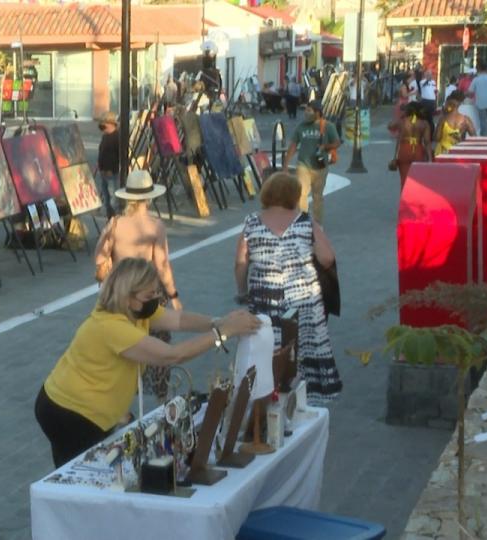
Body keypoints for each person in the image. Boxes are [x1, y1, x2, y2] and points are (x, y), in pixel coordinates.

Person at [35, 257, 262, 467]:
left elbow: (178, 320)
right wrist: (224, 332)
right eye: (149, 296)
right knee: (81, 475)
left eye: (156, 293)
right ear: (128, 297)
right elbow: (173, 355)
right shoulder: (110, 326)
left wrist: (218, 321)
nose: (155, 300)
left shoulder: (136, 312)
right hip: (69, 412)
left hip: (87, 410)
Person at [234, 172, 341, 403]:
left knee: (266, 350)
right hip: (303, 300)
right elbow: (328, 258)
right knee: (300, 349)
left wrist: (242, 292)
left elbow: (240, 263)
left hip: (264, 299)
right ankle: (302, 401)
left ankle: (265, 396)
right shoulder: (305, 222)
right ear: (294, 195)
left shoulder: (252, 222)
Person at [95, 170, 182, 310]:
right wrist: (174, 295)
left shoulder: (115, 223)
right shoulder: (155, 226)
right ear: (149, 198)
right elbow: (162, 266)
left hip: (120, 291)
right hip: (145, 292)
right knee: (151, 330)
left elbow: (99, 259)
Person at [282, 100, 340, 225]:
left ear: (317, 113)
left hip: (320, 167)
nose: (306, 113)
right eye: (306, 110)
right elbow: (293, 146)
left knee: (317, 197)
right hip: (303, 165)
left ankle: (318, 224)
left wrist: (325, 146)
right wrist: (285, 164)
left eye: (309, 110)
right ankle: (303, 222)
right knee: (301, 194)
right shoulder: (301, 127)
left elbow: (337, 142)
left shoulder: (328, 126)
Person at [390, 102, 431, 186]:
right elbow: (427, 142)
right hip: (418, 150)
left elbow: (390, 126)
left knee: (404, 180)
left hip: (404, 150)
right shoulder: (424, 123)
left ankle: (405, 197)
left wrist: (401, 116)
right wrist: (430, 159)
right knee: (418, 180)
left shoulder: (403, 121)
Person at [434, 91, 477, 157]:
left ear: (449, 106)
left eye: (446, 104)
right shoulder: (466, 120)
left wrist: (442, 116)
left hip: (443, 153)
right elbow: (474, 138)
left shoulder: (443, 119)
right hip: (459, 152)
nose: (444, 106)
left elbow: (437, 138)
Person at [96, 111, 120, 217]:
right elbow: (102, 151)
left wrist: (112, 169)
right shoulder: (105, 136)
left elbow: (118, 155)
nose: (102, 128)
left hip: (111, 172)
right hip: (103, 171)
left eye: (104, 125)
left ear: (110, 124)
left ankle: (115, 217)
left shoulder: (116, 137)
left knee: (113, 198)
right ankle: (109, 216)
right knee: (106, 197)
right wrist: (99, 165)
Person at [468, 62, 487, 136]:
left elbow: (470, 92)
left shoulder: (476, 79)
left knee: (483, 121)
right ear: (486, 69)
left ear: (478, 69)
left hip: (480, 103)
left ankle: (484, 138)